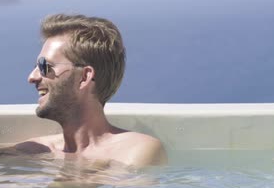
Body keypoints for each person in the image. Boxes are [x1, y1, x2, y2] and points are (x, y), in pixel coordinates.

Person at [15, 14, 167, 168]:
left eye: (44, 66)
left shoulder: (136, 150)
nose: (32, 77)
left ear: (84, 76)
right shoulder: (32, 150)